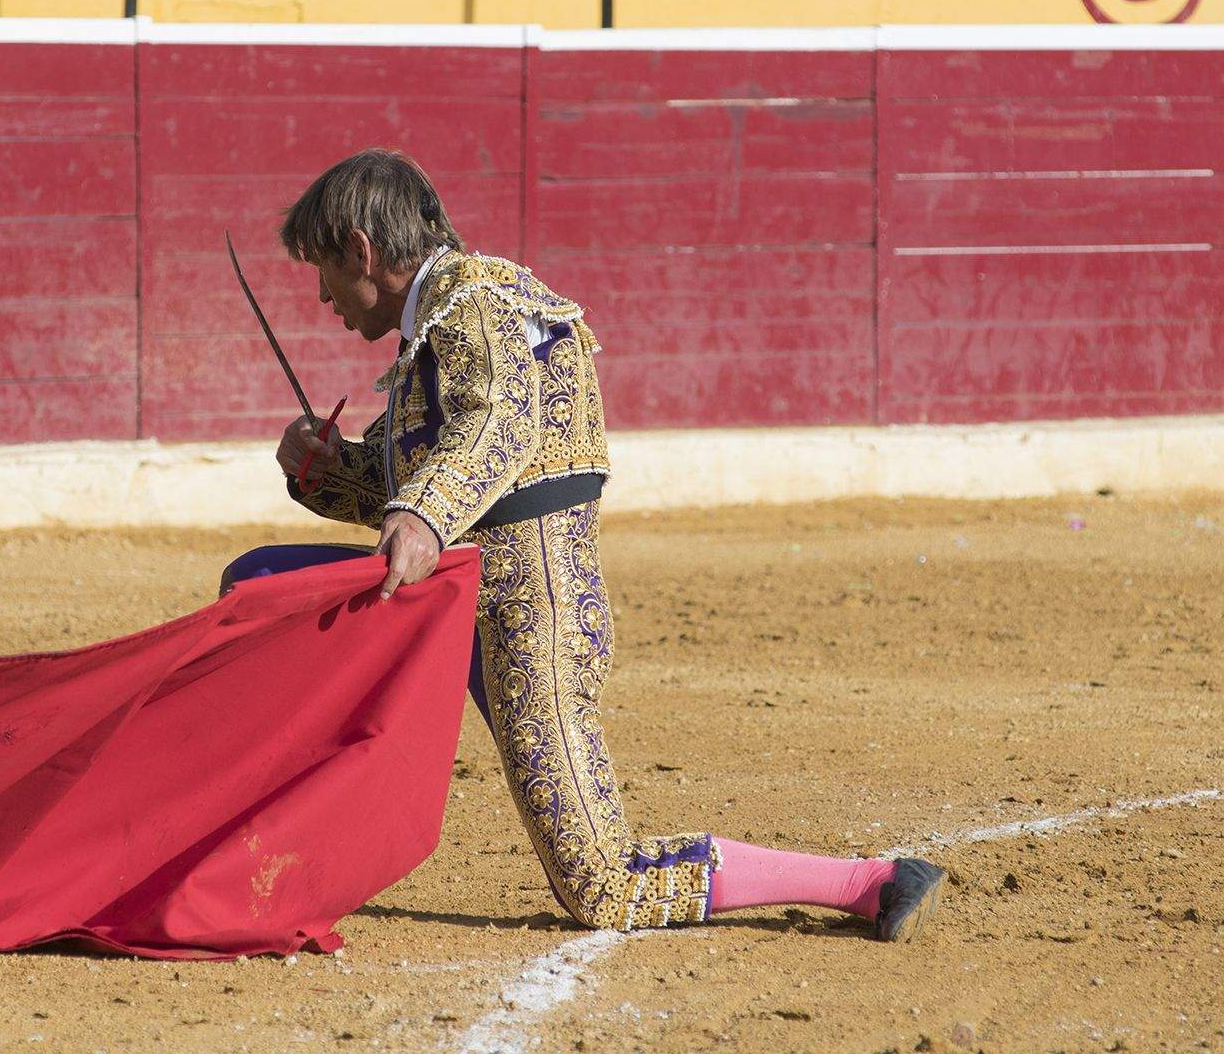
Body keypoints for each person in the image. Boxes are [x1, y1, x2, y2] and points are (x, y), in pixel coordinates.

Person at [221, 149, 946, 939]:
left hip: (534, 615)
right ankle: (256, 857)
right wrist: (326, 473)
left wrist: (424, 514)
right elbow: (433, 489)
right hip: (459, 596)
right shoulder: (438, 324)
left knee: (603, 884)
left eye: (324, 269)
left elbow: (498, 423)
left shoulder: (477, 300)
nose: (322, 294)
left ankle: (871, 881)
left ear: (361, 250)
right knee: (259, 584)